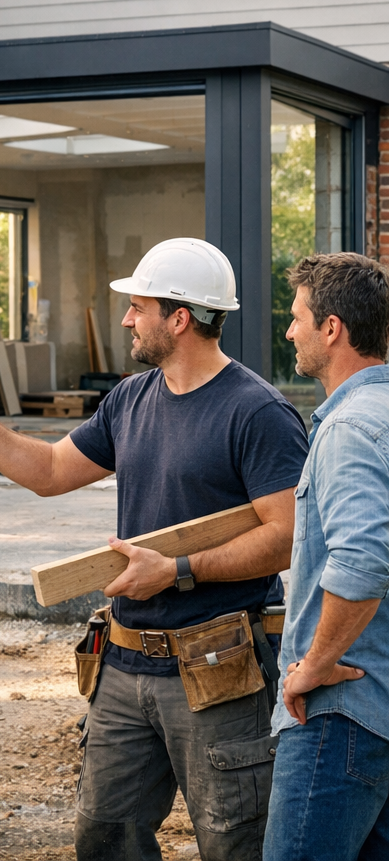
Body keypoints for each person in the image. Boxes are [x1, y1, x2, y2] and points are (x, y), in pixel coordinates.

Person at [0, 238, 309, 861]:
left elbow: (285, 537)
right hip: (122, 665)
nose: (125, 320)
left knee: (235, 842)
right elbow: (51, 471)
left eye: (138, 306)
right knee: (105, 838)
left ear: (179, 318)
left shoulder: (256, 412)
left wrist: (176, 571)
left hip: (216, 670)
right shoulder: (132, 398)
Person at [264, 253, 389, 861]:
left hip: (339, 715)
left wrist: (314, 664)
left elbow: (363, 562)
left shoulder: (347, 430)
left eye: (297, 318)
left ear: (332, 328)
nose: (290, 331)